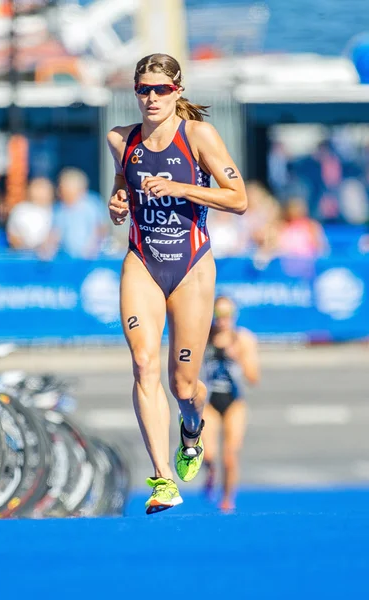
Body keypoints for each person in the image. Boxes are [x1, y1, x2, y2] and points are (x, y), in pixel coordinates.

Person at [107, 53, 247, 514]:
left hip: (191, 266)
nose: (151, 98)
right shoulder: (120, 139)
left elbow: (239, 198)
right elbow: (121, 185)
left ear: (177, 91)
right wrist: (118, 202)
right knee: (142, 364)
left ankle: (192, 428)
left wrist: (182, 189)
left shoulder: (198, 136)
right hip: (143, 261)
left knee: (183, 386)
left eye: (160, 90)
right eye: (143, 90)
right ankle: (164, 479)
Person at [202, 296, 260, 513]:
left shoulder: (243, 339)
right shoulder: (205, 336)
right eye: (219, 315)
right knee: (208, 454)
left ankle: (227, 499)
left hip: (234, 402)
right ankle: (210, 472)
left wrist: (240, 358)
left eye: (227, 316)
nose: (223, 321)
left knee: (230, 454)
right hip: (209, 401)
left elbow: (254, 378)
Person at [6, 177, 54, 252]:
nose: (40, 193)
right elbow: (12, 236)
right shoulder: (20, 210)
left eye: (43, 189)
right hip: (22, 256)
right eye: (37, 188)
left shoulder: (55, 212)